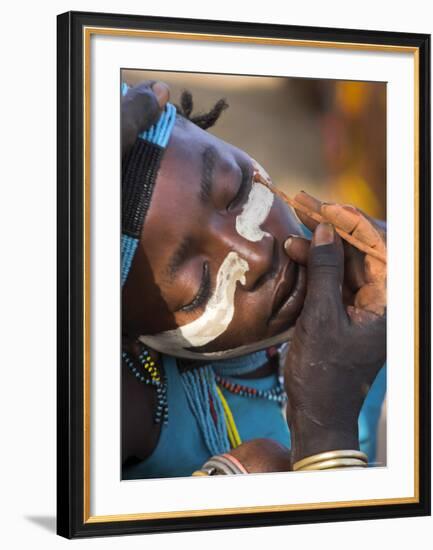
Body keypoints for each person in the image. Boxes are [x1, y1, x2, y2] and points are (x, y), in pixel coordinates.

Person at [120, 80, 387, 478]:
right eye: (202, 283)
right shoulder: (129, 405)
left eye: (238, 189)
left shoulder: (372, 263)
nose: (256, 253)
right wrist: (324, 436)